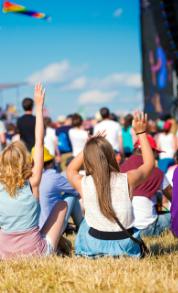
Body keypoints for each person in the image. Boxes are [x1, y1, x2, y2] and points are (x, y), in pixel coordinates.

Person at [0, 84, 72, 259]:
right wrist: (39, 107)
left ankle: (57, 243)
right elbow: (39, 142)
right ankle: (60, 245)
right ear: (26, 160)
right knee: (62, 204)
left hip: (5, 254)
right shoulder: (32, 181)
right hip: (34, 252)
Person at [66, 110, 156, 258]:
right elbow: (149, 163)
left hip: (94, 243)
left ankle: (89, 253)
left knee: (84, 225)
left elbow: (70, 169)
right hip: (125, 245)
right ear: (111, 155)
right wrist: (141, 133)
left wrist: (88, 146)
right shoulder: (128, 179)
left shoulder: (82, 182)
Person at [119, 135, 171, 237]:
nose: (156, 157)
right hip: (147, 229)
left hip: (121, 229)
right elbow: (174, 198)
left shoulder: (118, 169)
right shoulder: (157, 172)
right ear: (150, 152)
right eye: (156, 153)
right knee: (173, 216)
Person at [37, 147, 83, 235]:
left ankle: (73, 226)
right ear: (50, 163)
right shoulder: (52, 176)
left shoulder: (30, 178)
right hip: (52, 229)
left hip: (35, 230)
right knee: (71, 195)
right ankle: (81, 226)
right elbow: (77, 191)